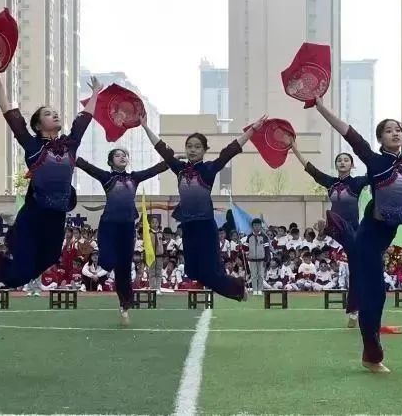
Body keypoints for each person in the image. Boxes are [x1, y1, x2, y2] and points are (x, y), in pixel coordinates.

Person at [312, 91, 402, 374]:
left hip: (385, 235)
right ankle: (371, 356)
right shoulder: (375, 162)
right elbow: (348, 132)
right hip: (369, 238)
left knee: (375, 296)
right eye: (389, 130)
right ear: (380, 138)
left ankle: (370, 353)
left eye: (398, 129)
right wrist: (321, 107)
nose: (396, 133)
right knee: (375, 297)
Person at [0, 60, 98, 295]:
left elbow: (84, 120)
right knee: (22, 272)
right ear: (38, 125)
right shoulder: (33, 146)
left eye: (55, 113)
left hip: (57, 215)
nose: (55, 115)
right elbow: (10, 115)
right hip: (33, 216)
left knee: (51, 257)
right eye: (48, 114)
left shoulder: (70, 145)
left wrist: (95, 94)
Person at [141, 113, 265, 302]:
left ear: (205, 150)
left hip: (205, 227)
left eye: (197, 147)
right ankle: (236, 288)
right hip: (188, 227)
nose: (192, 150)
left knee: (210, 274)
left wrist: (253, 130)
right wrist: (145, 126)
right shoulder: (179, 169)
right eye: (189, 146)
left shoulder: (208, 169)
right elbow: (162, 148)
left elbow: (230, 151)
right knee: (192, 271)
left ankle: (238, 288)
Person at [75, 147, 167, 326]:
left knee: (123, 268)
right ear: (110, 162)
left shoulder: (134, 178)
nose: (122, 157)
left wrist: (171, 161)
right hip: (109, 225)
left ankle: (125, 303)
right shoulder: (107, 178)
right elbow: (88, 167)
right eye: (117, 155)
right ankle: (103, 274)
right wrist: (71, 155)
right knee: (108, 261)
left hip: (127, 226)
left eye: (124, 155)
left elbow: (153, 170)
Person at [290, 144, 369, 327]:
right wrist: (294, 148)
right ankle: (324, 227)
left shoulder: (357, 183)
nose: (342, 162)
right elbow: (311, 169)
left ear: (352, 165)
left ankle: (354, 311)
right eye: (339, 160)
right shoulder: (331, 182)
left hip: (352, 231)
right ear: (336, 165)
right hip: (335, 229)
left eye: (346, 160)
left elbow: (375, 175)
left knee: (356, 271)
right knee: (327, 219)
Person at [242, 219, 272, 296]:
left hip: (262, 259)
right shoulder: (249, 236)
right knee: (254, 275)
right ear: (252, 226)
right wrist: (241, 246)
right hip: (252, 259)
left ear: (260, 226)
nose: (257, 227)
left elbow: (267, 249)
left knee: (261, 275)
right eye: (255, 225)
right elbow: (245, 247)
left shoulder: (264, 237)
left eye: (258, 225)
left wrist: (266, 259)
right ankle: (255, 290)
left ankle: (260, 289)